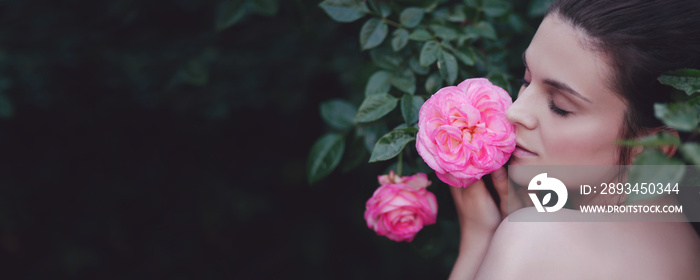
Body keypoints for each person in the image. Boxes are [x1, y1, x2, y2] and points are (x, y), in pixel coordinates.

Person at [448, 0, 700, 279]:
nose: (515, 111)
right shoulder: (688, 247)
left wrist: (476, 244)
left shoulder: (536, 238)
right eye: (526, 80)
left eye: (559, 106)